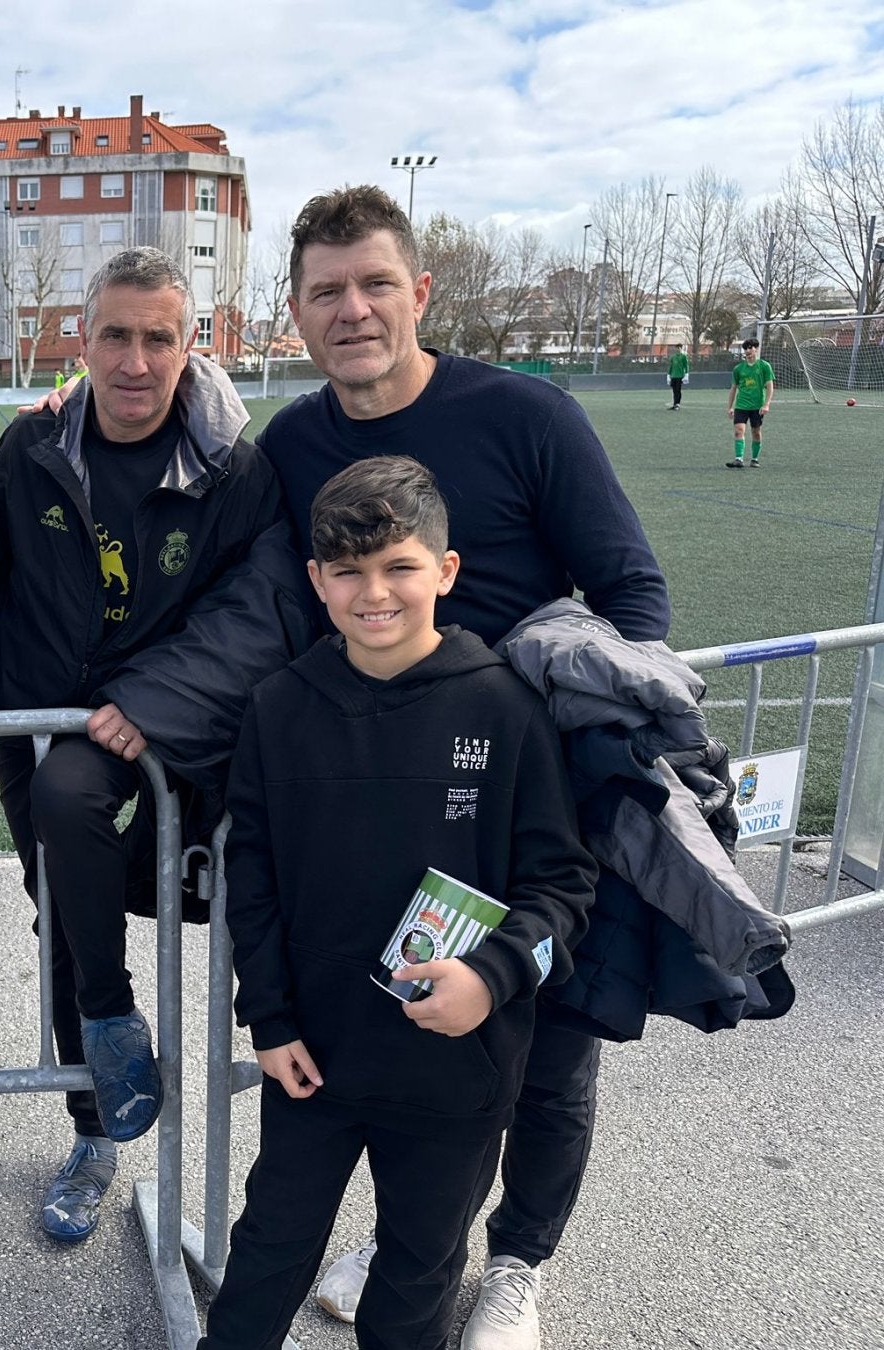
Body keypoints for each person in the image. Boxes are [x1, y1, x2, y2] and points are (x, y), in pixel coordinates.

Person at [263, 186, 668, 1350]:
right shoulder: (291, 443)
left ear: (419, 293)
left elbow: (635, 597)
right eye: (328, 291)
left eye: (375, 283)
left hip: (528, 794)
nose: (353, 310)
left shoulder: (528, 416)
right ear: (295, 311)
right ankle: (417, 1242)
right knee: (404, 1031)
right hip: (385, 814)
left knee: (549, 1039)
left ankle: (519, 1264)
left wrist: (554, 742)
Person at [200, 455, 595, 1350]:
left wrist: (493, 979)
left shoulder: (505, 709)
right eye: (348, 571)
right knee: (267, 1251)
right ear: (317, 580)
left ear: (445, 572)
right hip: (315, 1057)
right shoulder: (278, 708)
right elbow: (251, 882)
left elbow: (564, 887)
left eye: (398, 568)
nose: (373, 592)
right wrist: (266, 1019)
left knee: (417, 1274)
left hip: (456, 1069)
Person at [0, 245, 296, 1244]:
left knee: (75, 808)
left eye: (158, 337)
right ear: (82, 339)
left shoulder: (234, 467)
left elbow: (258, 610)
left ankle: (109, 1016)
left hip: (154, 728)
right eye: (116, 335)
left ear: (193, 343)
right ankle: (96, 1131)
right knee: (62, 912)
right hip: (37, 715)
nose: (136, 361)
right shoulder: (34, 447)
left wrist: (154, 700)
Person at [726, 338, 774, 468]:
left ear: (756, 349)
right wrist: (730, 407)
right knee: (738, 430)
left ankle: (754, 459)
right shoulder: (738, 369)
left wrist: (766, 404)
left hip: (757, 406)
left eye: (750, 348)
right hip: (741, 405)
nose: (748, 351)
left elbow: (770, 387)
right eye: (746, 348)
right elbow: (733, 388)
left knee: (756, 432)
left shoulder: (764, 366)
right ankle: (738, 459)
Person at [667, 344, 689, 410]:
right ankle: (674, 404)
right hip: (673, 376)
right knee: (674, 391)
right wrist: (668, 375)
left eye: (679, 348)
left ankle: (677, 404)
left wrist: (686, 375)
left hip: (680, 376)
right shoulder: (673, 357)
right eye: (677, 348)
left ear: (681, 349)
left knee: (678, 390)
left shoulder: (683, 357)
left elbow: (686, 366)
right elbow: (671, 366)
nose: (678, 349)